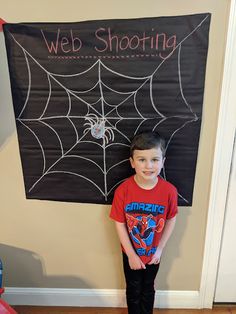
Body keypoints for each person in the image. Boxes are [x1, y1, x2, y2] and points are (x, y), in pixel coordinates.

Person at [110, 131, 178, 314]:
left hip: (154, 253)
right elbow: (119, 222)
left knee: (148, 288)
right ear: (132, 162)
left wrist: (160, 249)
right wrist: (131, 254)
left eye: (155, 159)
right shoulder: (123, 191)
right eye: (141, 160)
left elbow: (172, 218)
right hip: (131, 253)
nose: (148, 166)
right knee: (133, 288)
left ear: (163, 161)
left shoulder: (169, 191)